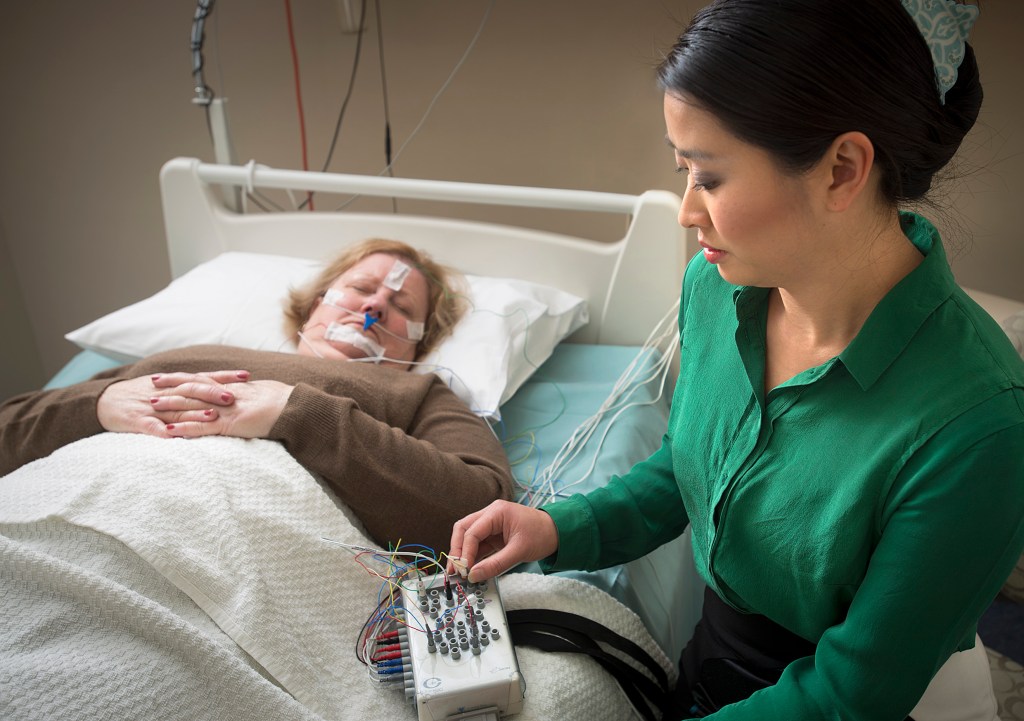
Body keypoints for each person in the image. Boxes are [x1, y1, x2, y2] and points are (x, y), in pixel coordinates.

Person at [448, 1, 1024, 719]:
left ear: (843, 169)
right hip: (716, 661)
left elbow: (851, 694)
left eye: (710, 178)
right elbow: (693, 465)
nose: (688, 211)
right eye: (681, 168)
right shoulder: (718, 291)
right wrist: (563, 528)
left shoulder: (977, 426)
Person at [0, 238, 513, 552]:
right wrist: (96, 406)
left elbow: (484, 512)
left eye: (400, 304)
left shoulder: (417, 391)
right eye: (360, 288)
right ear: (317, 305)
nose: (374, 306)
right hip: (55, 517)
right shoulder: (179, 357)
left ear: (418, 343)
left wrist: (299, 415)